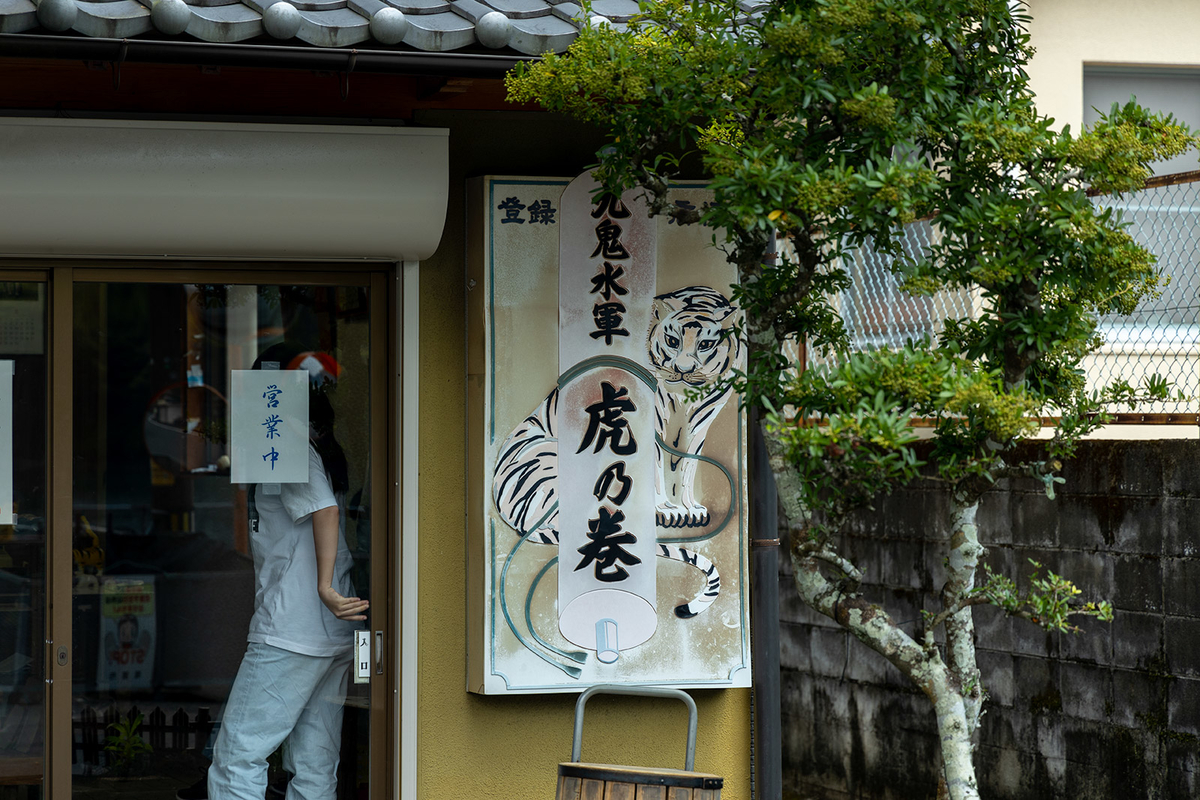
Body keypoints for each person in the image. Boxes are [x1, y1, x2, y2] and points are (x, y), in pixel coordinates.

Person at [208, 346, 368, 800]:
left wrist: (321, 588)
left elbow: (326, 511)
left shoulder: (290, 448)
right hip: (330, 631)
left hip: (292, 629)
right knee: (316, 764)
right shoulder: (316, 446)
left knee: (239, 756)